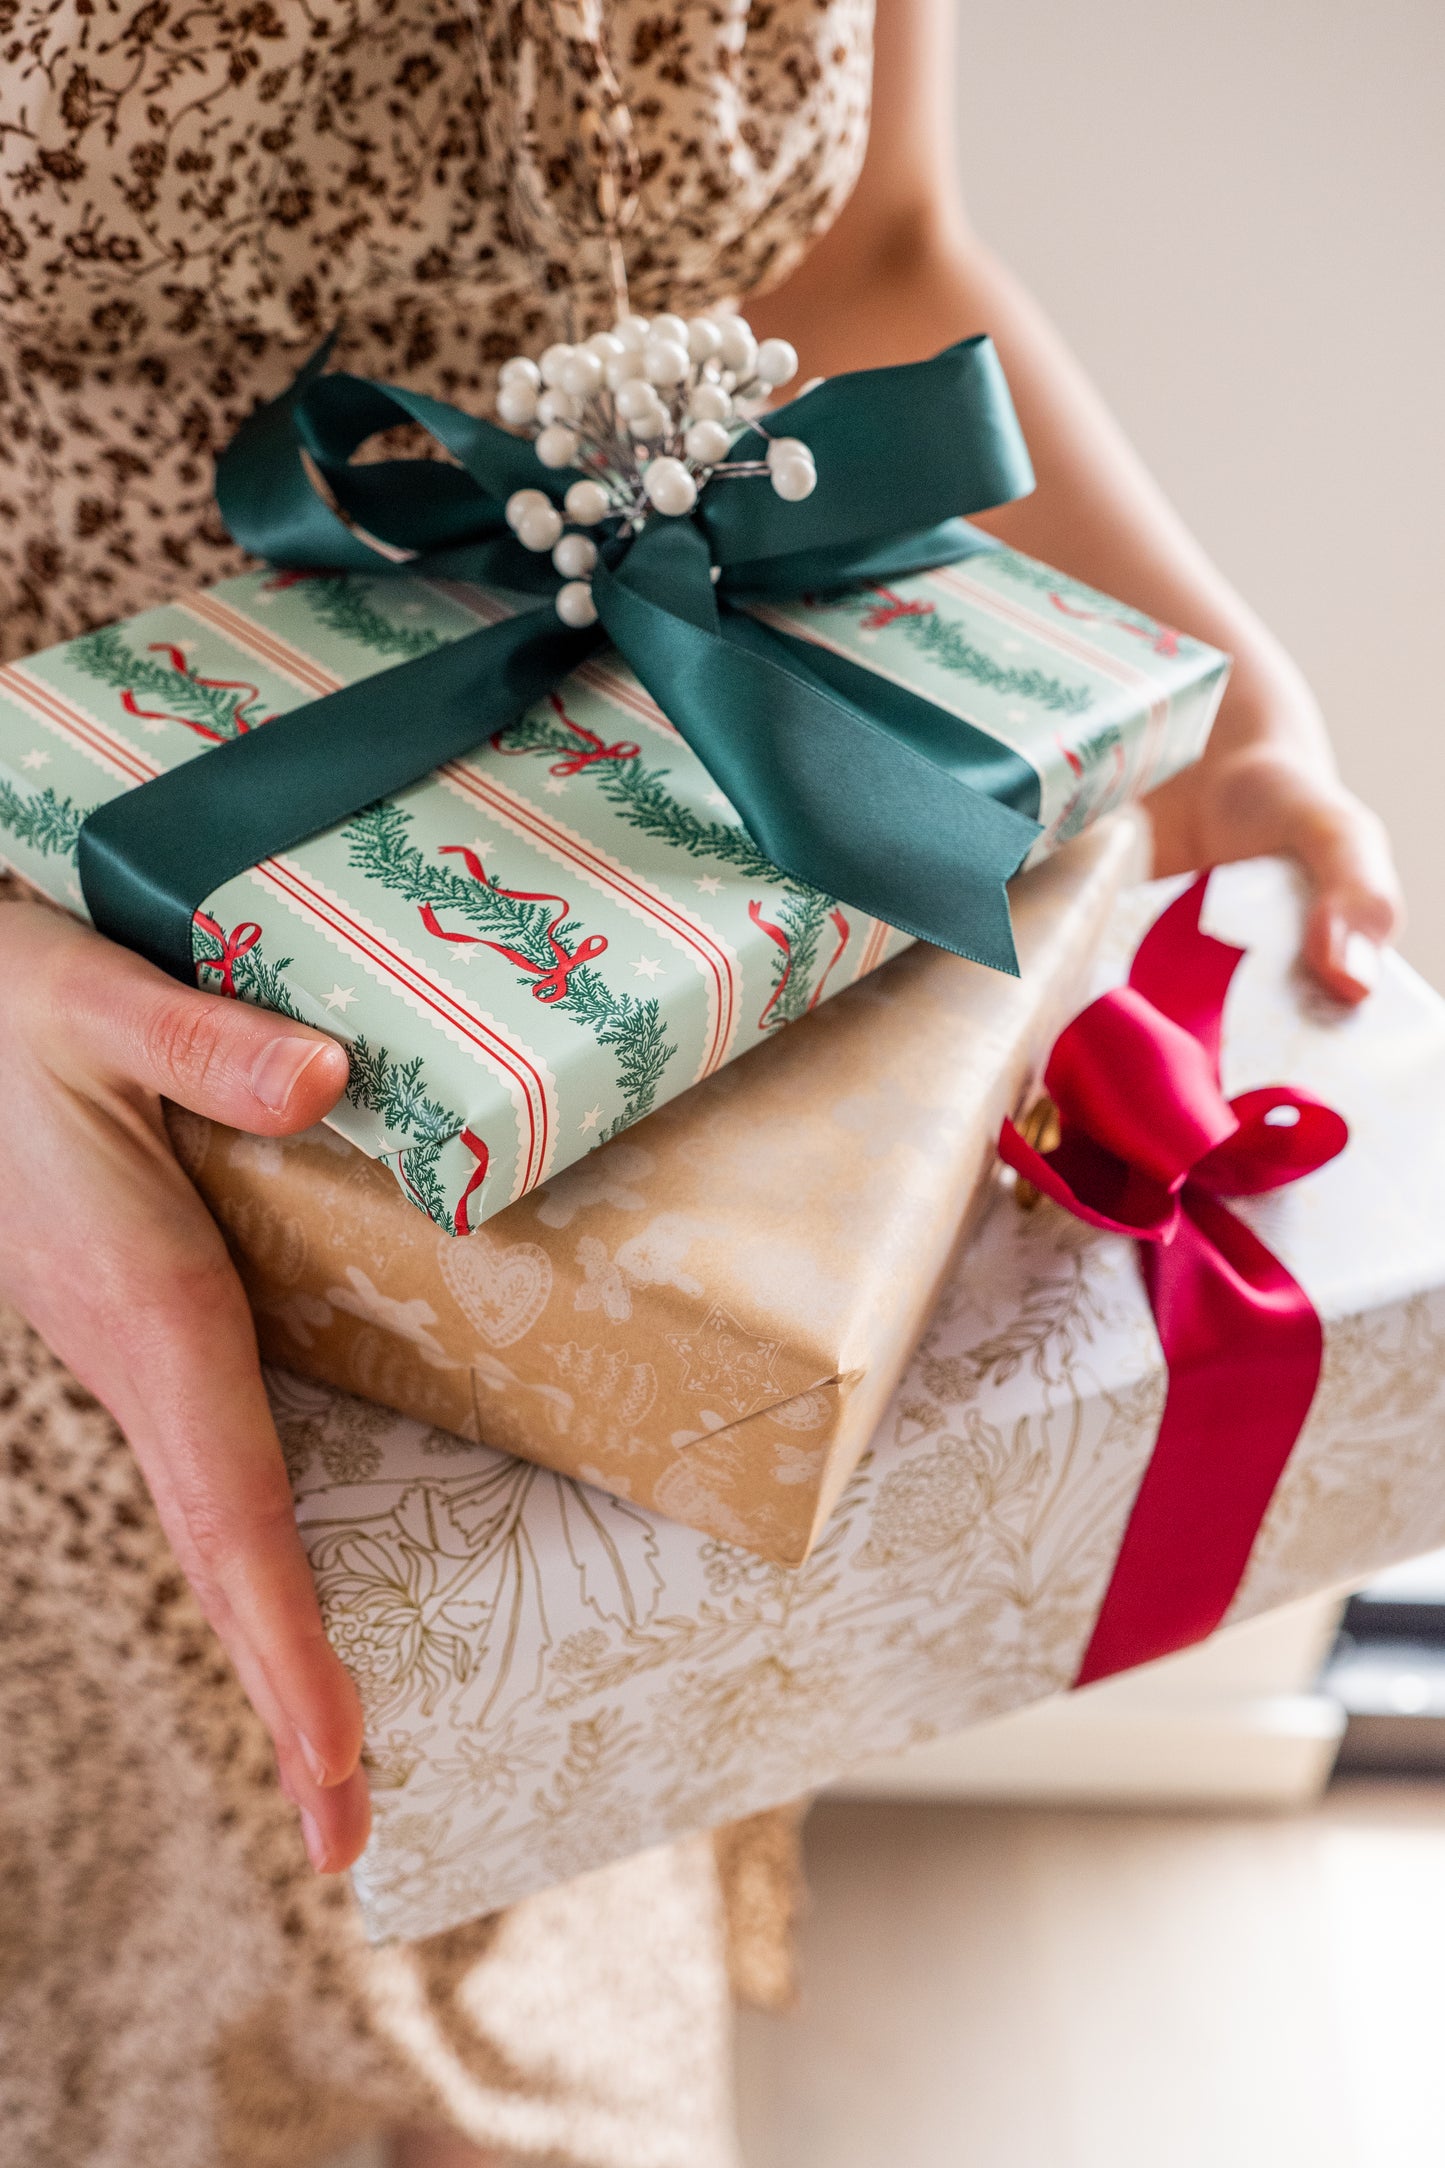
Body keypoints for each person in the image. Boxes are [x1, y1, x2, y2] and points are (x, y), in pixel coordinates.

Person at [0, 3, 1401, 2164]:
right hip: (84, 1050)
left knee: (564, 1834)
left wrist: (1209, 695)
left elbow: (866, 243)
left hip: (657, 903)